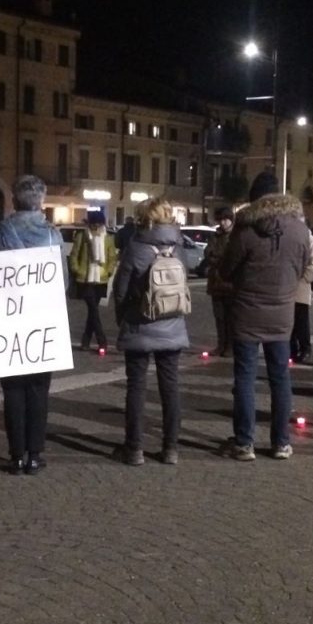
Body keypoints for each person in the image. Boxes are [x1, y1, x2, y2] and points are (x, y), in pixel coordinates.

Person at [218, 171, 313, 461]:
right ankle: (281, 442)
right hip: (282, 315)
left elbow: (227, 269)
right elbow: (304, 267)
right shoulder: (300, 231)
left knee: (245, 379)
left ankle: (244, 442)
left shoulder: (246, 229)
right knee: (280, 378)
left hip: (247, 313)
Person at [0, 175, 63, 475]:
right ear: (41, 201)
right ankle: (34, 454)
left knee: (13, 390)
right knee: (39, 389)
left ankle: (16, 455)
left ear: (14, 201)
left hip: (8, 320)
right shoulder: (52, 235)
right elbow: (63, 281)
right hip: (42, 318)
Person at [112, 196, 189, 466]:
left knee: (136, 387)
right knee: (170, 388)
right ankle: (171, 449)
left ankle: (134, 449)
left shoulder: (136, 247)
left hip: (139, 324)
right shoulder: (179, 246)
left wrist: (121, 319)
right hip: (172, 324)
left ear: (146, 219)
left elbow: (120, 289)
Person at [68, 210, 118, 350]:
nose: (96, 227)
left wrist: (109, 271)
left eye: (98, 224)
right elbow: (74, 256)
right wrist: (77, 270)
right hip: (85, 278)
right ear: (89, 224)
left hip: (101, 279)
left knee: (93, 311)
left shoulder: (108, 238)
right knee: (93, 309)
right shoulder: (82, 236)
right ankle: (102, 340)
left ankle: (86, 341)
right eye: (93, 224)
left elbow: (112, 257)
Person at [203, 207, 236, 357]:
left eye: (225, 219)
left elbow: (231, 257)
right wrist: (216, 257)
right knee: (219, 316)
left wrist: (218, 258)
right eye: (221, 220)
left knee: (230, 317)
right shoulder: (215, 236)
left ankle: (230, 346)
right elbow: (208, 253)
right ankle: (220, 344)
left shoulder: (236, 236)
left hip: (230, 283)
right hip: (215, 281)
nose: (223, 223)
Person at [290, 234, 313, 364]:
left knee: (301, 321)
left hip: (300, 286)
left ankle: (305, 348)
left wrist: (305, 278)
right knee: (288, 321)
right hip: (286, 285)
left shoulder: (307, 238)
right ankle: (291, 349)